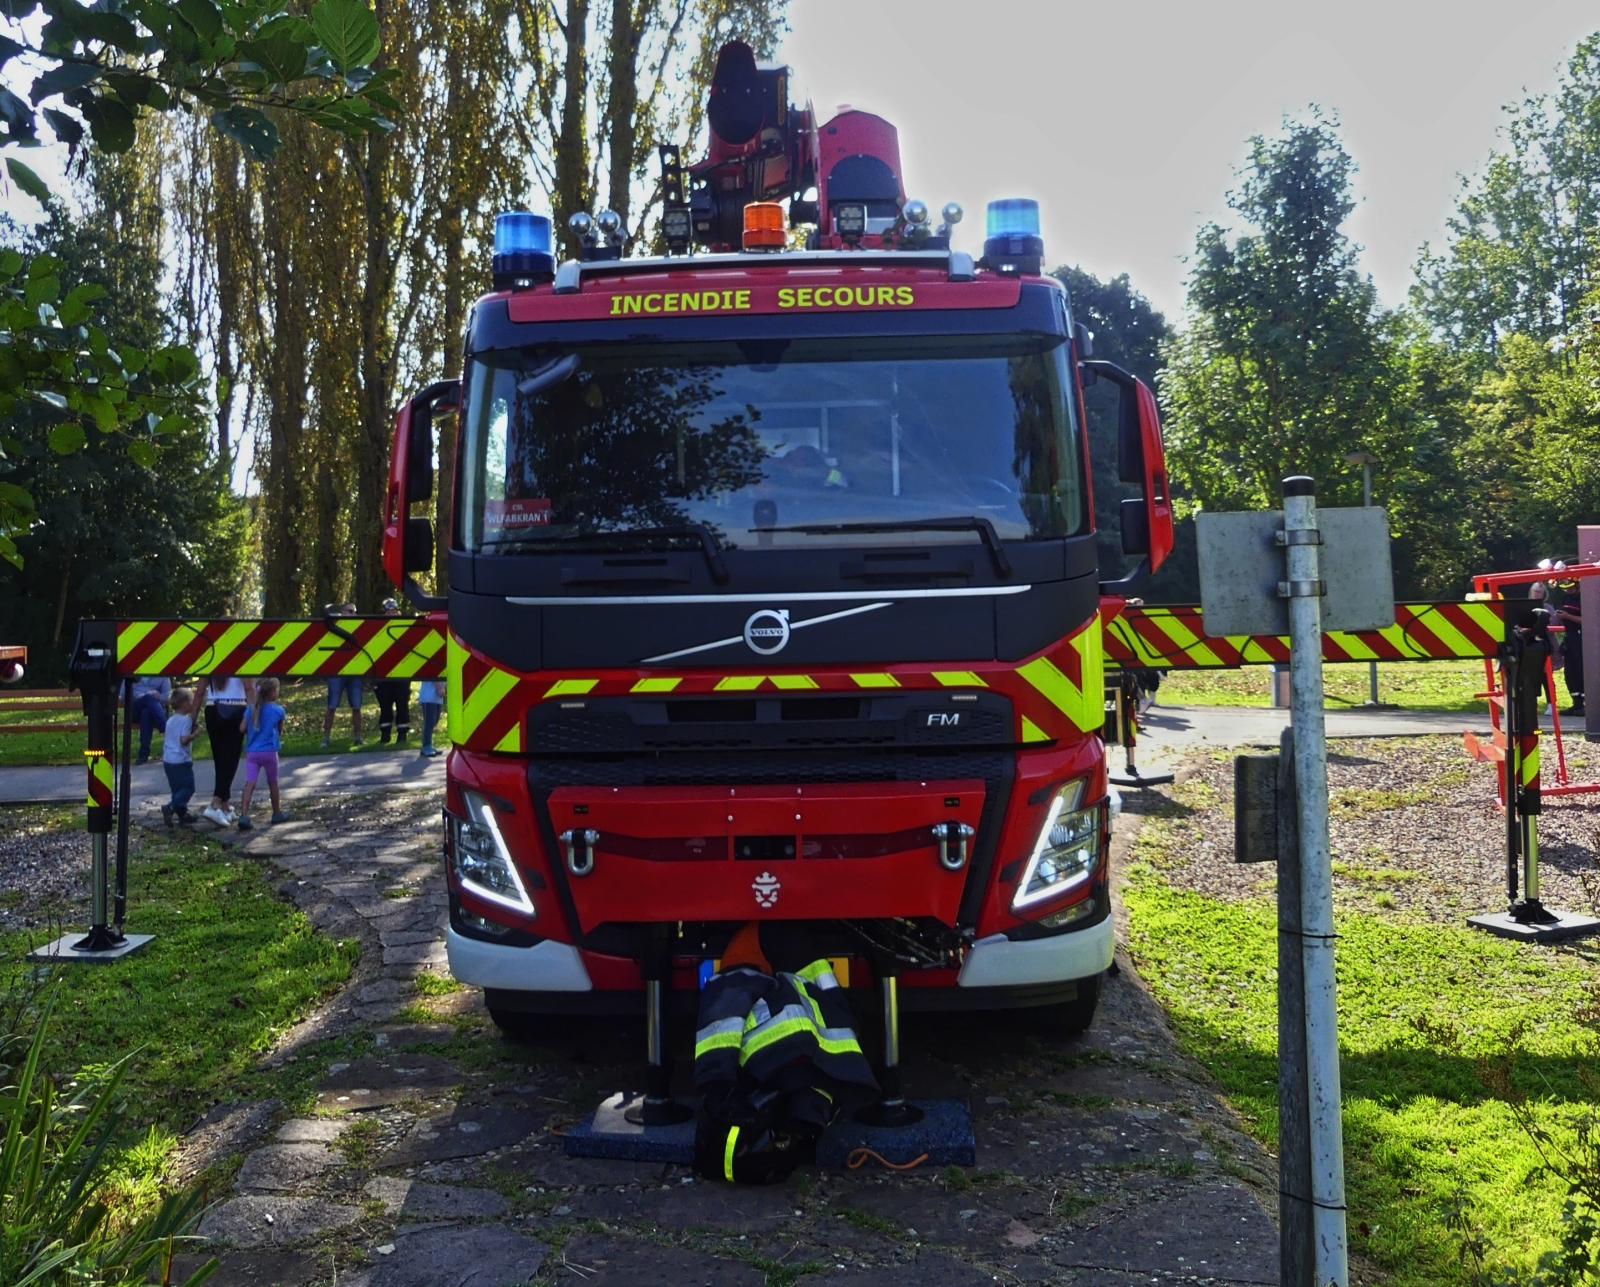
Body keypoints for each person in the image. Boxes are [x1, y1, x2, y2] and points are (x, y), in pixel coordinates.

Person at [195, 673, 252, 826]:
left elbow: (200, 691)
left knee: (220, 760)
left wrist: (192, 718)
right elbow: (248, 688)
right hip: (236, 708)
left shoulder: (211, 658)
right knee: (231, 760)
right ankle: (214, 804)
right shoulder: (241, 657)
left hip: (212, 709)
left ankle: (225, 806)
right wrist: (253, 715)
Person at [237, 678, 289, 830]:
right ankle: (276, 812)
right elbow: (279, 731)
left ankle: (244, 815)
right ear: (272, 692)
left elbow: (241, 728)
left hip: (253, 752)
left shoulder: (250, 709)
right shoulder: (278, 711)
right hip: (270, 752)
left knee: (250, 782)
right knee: (272, 782)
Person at [323, 603, 364, 747]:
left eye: (355, 612)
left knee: (357, 706)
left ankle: (358, 737)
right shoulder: (334, 626)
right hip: (337, 672)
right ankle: (326, 738)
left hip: (354, 672)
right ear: (342, 612)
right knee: (332, 705)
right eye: (350, 611)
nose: (353, 615)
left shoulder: (360, 627)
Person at [160, 686, 202, 825]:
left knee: (176, 788)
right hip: (181, 760)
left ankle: (182, 815)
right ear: (185, 704)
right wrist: (195, 734)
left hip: (168, 760)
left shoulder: (170, 720)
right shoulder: (186, 721)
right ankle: (170, 807)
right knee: (188, 788)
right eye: (191, 700)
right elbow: (183, 740)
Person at [374, 597, 411, 746]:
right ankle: (385, 735)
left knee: (402, 703)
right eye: (389, 611)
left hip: (401, 673)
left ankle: (402, 735)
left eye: (395, 611)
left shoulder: (404, 628)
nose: (392, 613)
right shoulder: (377, 631)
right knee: (385, 705)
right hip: (383, 674)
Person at [130, 674, 171, 764]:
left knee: (146, 713)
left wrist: (158, 696)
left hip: (152, 712)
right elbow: (122, 693)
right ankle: (166, 729)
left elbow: (167, 696)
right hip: (134, 710)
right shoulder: (132, 673)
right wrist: (137, 696)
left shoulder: (162, 676)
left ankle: (143, 755)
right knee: (148, 698)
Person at [417, 675, 445, 758]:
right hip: (428, 696)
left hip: (437, 698)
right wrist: (439, 688)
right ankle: (426, 746)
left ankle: (429, 744)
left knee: (434, 720)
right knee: (429, 722)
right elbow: (432, 674)